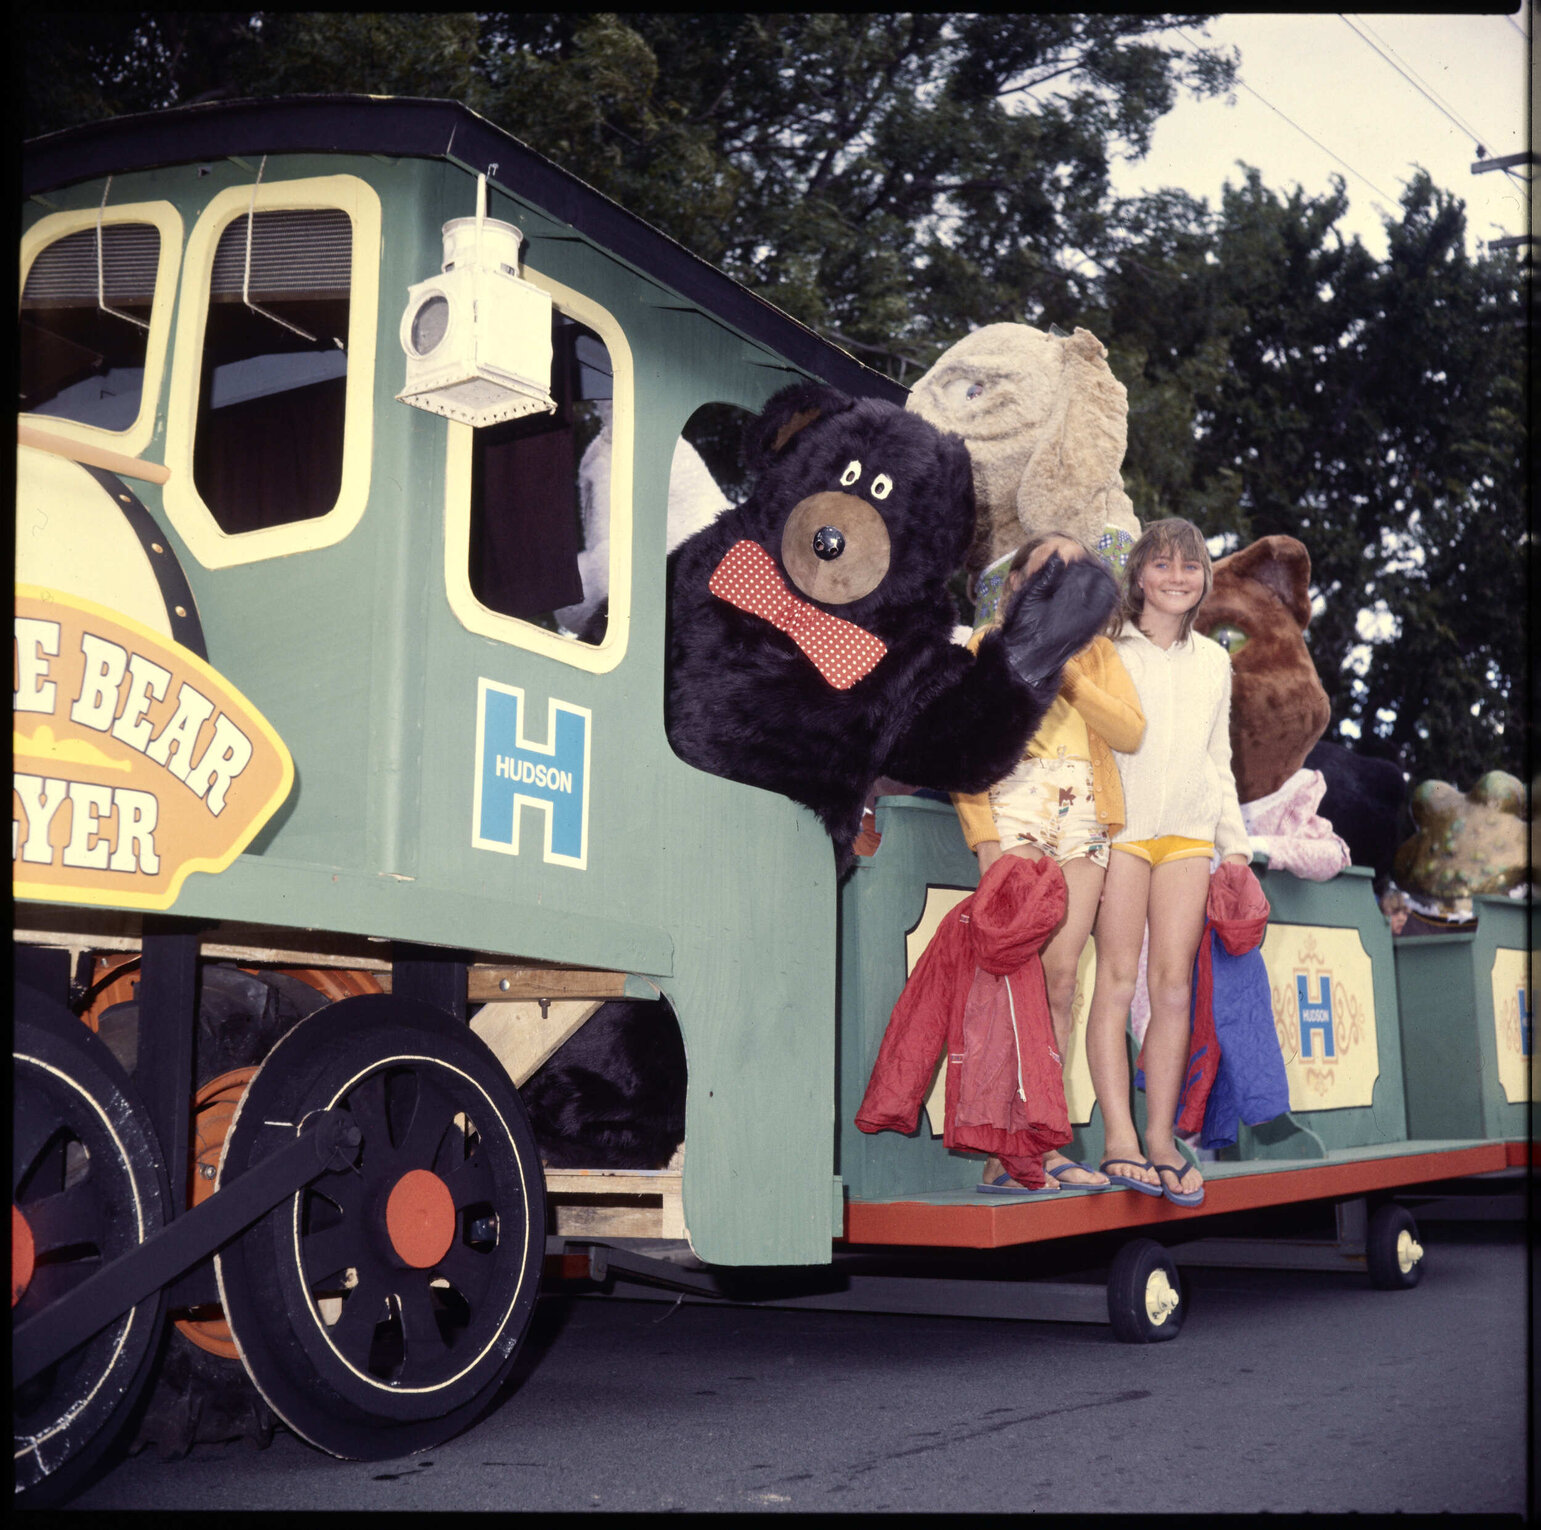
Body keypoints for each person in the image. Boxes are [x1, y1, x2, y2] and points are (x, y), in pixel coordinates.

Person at [953, 530, 1143, 1193]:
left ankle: (1043, 1143)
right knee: (1015, 981)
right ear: (1017, 583)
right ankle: (1001, 1153)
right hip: (1014, 810)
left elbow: (1130, 731)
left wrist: (1067, 675)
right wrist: (985, 840)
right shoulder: (985, 645)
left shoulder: (1096, 653)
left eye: (1076, 571)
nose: (1062, 581)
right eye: (1047, 569)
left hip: (1084, 817)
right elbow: (962, 749)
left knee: (1060, 982)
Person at [1086, 517, 1251, 1207]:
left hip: (1188, 836)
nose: (1176, 577)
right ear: (1138, 574)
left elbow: (1219, 759)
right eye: (1161, 563)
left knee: (1174, 988)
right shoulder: (1106, 648)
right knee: (1116, 981)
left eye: (1189, 565)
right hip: (1120, 832)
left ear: (1204, 577)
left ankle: (1160, 1138)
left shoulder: (1214, 661)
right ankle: (1119, 1137)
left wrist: (1234, 847)